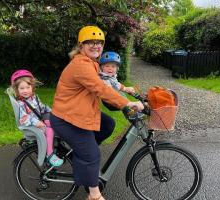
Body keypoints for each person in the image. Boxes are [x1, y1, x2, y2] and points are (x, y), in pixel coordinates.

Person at [49, 26, 144, 200]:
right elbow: (100, 88)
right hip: (66, 118)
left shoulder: (91, 63)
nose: (96, 45)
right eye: (90, 42)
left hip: (78, 113)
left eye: (99, 42)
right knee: (92, 154)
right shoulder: (81, 65)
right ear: (81, 45)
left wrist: (124, 94)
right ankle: (94, 195)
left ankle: (83, 157)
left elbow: (106, 85)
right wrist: (127, 103)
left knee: (108, 124)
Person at [11, 69, 63, 167]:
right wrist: (36, 122)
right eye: (22, 88)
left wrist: (53, 112)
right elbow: (24, 118)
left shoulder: (34, 97)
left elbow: (42, 107)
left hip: (40, 121)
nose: (25, 90)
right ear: (17, 90)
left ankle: (60, 145)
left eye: (28, 87)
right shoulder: (21, 104)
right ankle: (50, 154)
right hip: (33, 126)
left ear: (32, 87)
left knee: (57, 123)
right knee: (49, 131)